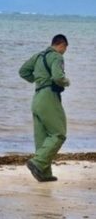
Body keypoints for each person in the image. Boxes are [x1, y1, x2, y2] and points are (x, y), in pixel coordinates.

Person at [19, 34, 70, 182]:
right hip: (49, 97)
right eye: (65, 48)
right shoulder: (57, 57)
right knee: (58, 133)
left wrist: (38, 80)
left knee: (42, 138)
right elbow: (58, 77)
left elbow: (23, 72)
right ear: (62, 45)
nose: (65, 51)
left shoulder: (38, 56)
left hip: (37, 97)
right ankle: (38, 162)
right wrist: (67, 82)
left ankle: (44, 173)